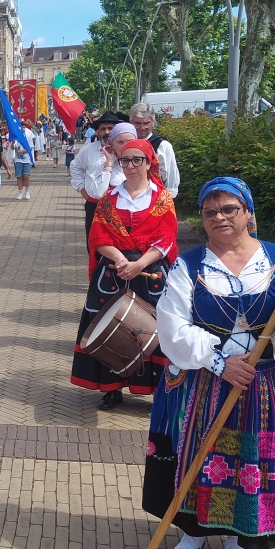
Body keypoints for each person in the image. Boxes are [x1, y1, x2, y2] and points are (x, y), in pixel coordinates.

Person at [143, 178, 275, 549]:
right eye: (209, 211)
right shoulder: (188, 266)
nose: (219, 217)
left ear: (248, 212)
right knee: (196, 457)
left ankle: (238, 542)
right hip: (204, 383)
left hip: (266, 385)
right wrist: (219, 362)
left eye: (229, 208)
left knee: (249, 463)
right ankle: (193, 533)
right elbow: (172, 327)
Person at [70, 139, 177, 409]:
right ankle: (112, 388)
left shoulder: (162, 198)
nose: (130, 166)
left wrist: (140, 264)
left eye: (137, 160)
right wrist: (120, 260)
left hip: (150, 272)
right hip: (113, 272)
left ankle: (158, 390)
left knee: (155, 328)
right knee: (110, 328)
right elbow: (98, 238)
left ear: (149, 163)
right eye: (125, 160)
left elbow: (166, 238)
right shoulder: (109, 198)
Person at [70, 110, 119, 236]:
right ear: (97, 132)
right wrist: (81, 188)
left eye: (110, 128)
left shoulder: (126, 150)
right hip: (95, 205)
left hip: (120, 205)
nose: (107, 132)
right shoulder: (88, 150)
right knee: (94, 241)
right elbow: (75, 167)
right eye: (103, 129)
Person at [129, 103, 181, 196]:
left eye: (146, 123)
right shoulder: (125, 143)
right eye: (137, 123)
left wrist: (168, 199)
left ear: (153, 122)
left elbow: (171, 175)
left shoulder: (163, 145)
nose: (142, 128)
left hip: (155, 197)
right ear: (131, 122)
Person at [9, 125, 33, 200]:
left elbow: (30, 148)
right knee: (19, 177)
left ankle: (27, 191)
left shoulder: (27, 137)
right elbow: (12, 148)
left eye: (23, 128)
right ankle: (20, 192)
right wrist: (12, 143)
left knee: (26, 176)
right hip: (18, 160)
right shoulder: (16, 138)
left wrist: (22, 151)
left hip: (26, 160)